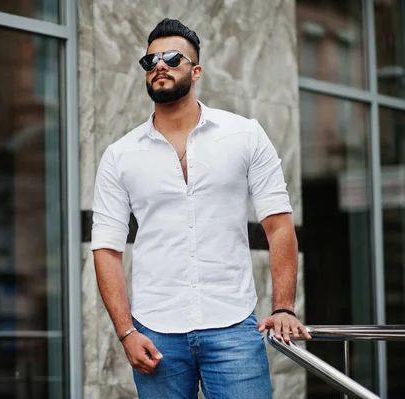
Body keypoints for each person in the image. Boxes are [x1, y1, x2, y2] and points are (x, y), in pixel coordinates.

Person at [90, 18, 312, 399]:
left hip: (233, 326)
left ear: (196, 70)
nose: (160, 65)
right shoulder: (119, 155)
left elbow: (278, 225)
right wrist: (126, 331)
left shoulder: (244, 135)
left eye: (172, 58)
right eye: (150, 60)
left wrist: (284, 307)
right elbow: (106, 249)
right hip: (155, 331)